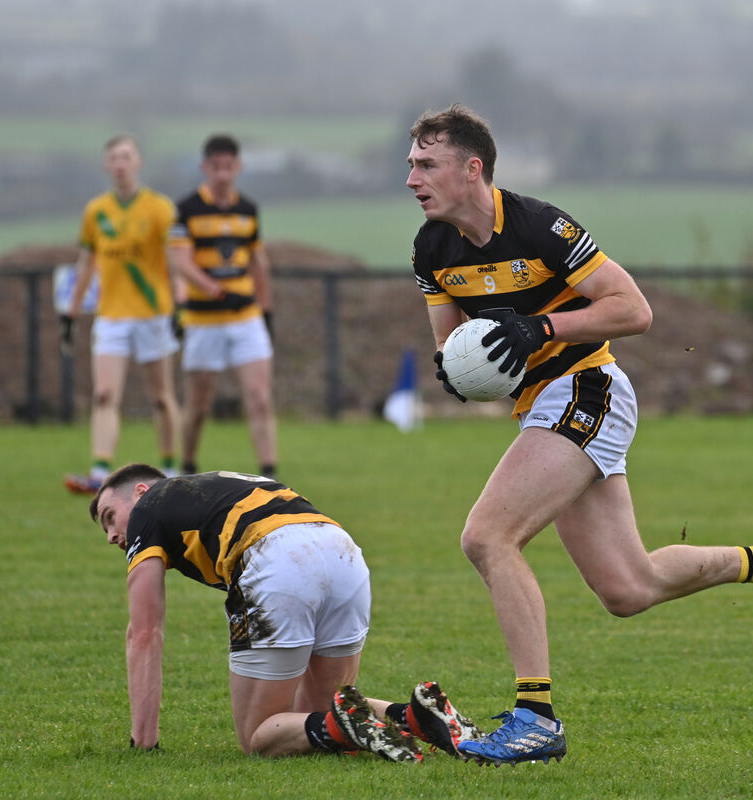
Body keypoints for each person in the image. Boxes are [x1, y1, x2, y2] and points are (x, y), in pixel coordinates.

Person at [406, 104, 753, 765]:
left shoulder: (540, 226)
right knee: (629, 589)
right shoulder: (432, 248)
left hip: (587, 389)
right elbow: (451, 343)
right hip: (541, 405)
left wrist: (542, 328)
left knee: (487, 537)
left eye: (427, 164)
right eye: (411, 165)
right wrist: (457, 371)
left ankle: (536, 718)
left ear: (472, 169)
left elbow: (634, 309)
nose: (412, 178)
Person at [89, 463, 483, 759]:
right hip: (341, 551)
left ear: (140, 491)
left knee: (258, 735)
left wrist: (144, 742)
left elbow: (144, 632)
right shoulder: (216, 484)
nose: (111, 535)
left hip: (275, 559)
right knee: (317, 715)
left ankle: (349, 724)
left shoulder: (149, 508)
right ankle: (413, 716)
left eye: (110, 517)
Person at [62, 135, 181, 494]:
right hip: (111, 316)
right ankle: (100, 471)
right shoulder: (96, 211)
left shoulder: (159, 208)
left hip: (152, 314)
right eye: (114, 158)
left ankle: (169, 467)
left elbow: (175, 261)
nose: (120, 164)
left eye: (126, 157)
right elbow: (86, 264)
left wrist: (181, 304)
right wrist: (71, 312)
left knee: (161, 396)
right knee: (104, 394)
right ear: (106, 165)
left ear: (137, 162)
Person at [169, 134, 277, 479]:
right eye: (216, 167)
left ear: (238, 167)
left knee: (259, 397)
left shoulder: (248, 209)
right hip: (203, 320)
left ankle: (270, 474)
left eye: (228, 167)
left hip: (245, 318)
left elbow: (258, 263)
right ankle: (187, 467)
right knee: (199, 405)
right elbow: (182, 264)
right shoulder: (186, 209)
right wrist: (217, 292)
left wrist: (266, 310)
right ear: (205, 167)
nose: (222, 174)